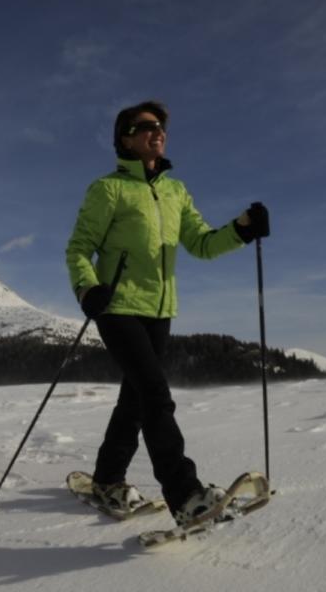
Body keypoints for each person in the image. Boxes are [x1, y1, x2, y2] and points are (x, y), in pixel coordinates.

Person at [65, 100, 270, 525]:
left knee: (136, 400)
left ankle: (106, 478)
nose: (157, 132)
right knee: (156, 395)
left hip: (160, 310)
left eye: (161, 127)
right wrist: (88, 287)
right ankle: (185, 494)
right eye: (146, 127)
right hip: (116, 306)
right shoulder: (109, 188)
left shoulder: (176, 191)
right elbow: (79, 248)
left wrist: (242, 229)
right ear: (124, 138)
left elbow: (200, 244)